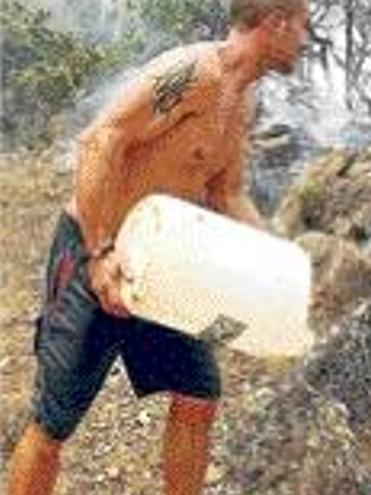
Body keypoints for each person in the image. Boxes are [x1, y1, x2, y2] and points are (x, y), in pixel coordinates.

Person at [7, 1, 310, 493]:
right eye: (301, 26)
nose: (304, 39)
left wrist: (283, 265)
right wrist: (99, 254)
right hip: (97, 252)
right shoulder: (191, 73)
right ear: (274, 23)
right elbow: (101, 140)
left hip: (165, 259)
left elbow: (226, 192)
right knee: (53, 422)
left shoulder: (241, 100)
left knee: (198, 396)